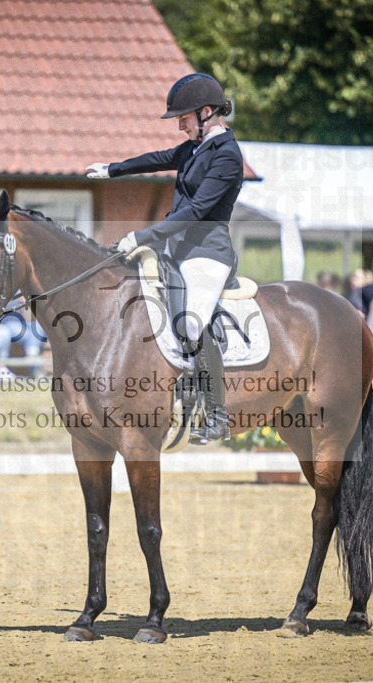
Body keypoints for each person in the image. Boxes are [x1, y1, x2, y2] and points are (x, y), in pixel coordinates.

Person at [85, 73, 242, 442]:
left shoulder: (227, 156)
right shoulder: (194, 147)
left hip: (208, 253)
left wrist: (141, 237)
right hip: (177, 251)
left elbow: (197, 211)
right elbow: (157, 159)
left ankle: (217, 418)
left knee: (190, 324)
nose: (179, 123)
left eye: (183, 117)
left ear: (206, 112)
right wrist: (113, 169)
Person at [0, 298, 45, 379]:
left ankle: (32, 353)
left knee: (37, 326)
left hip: (21, 323)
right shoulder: (1, 291)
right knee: (3, 333)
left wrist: (29, 303)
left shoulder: (20, 291)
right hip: (6, 323)